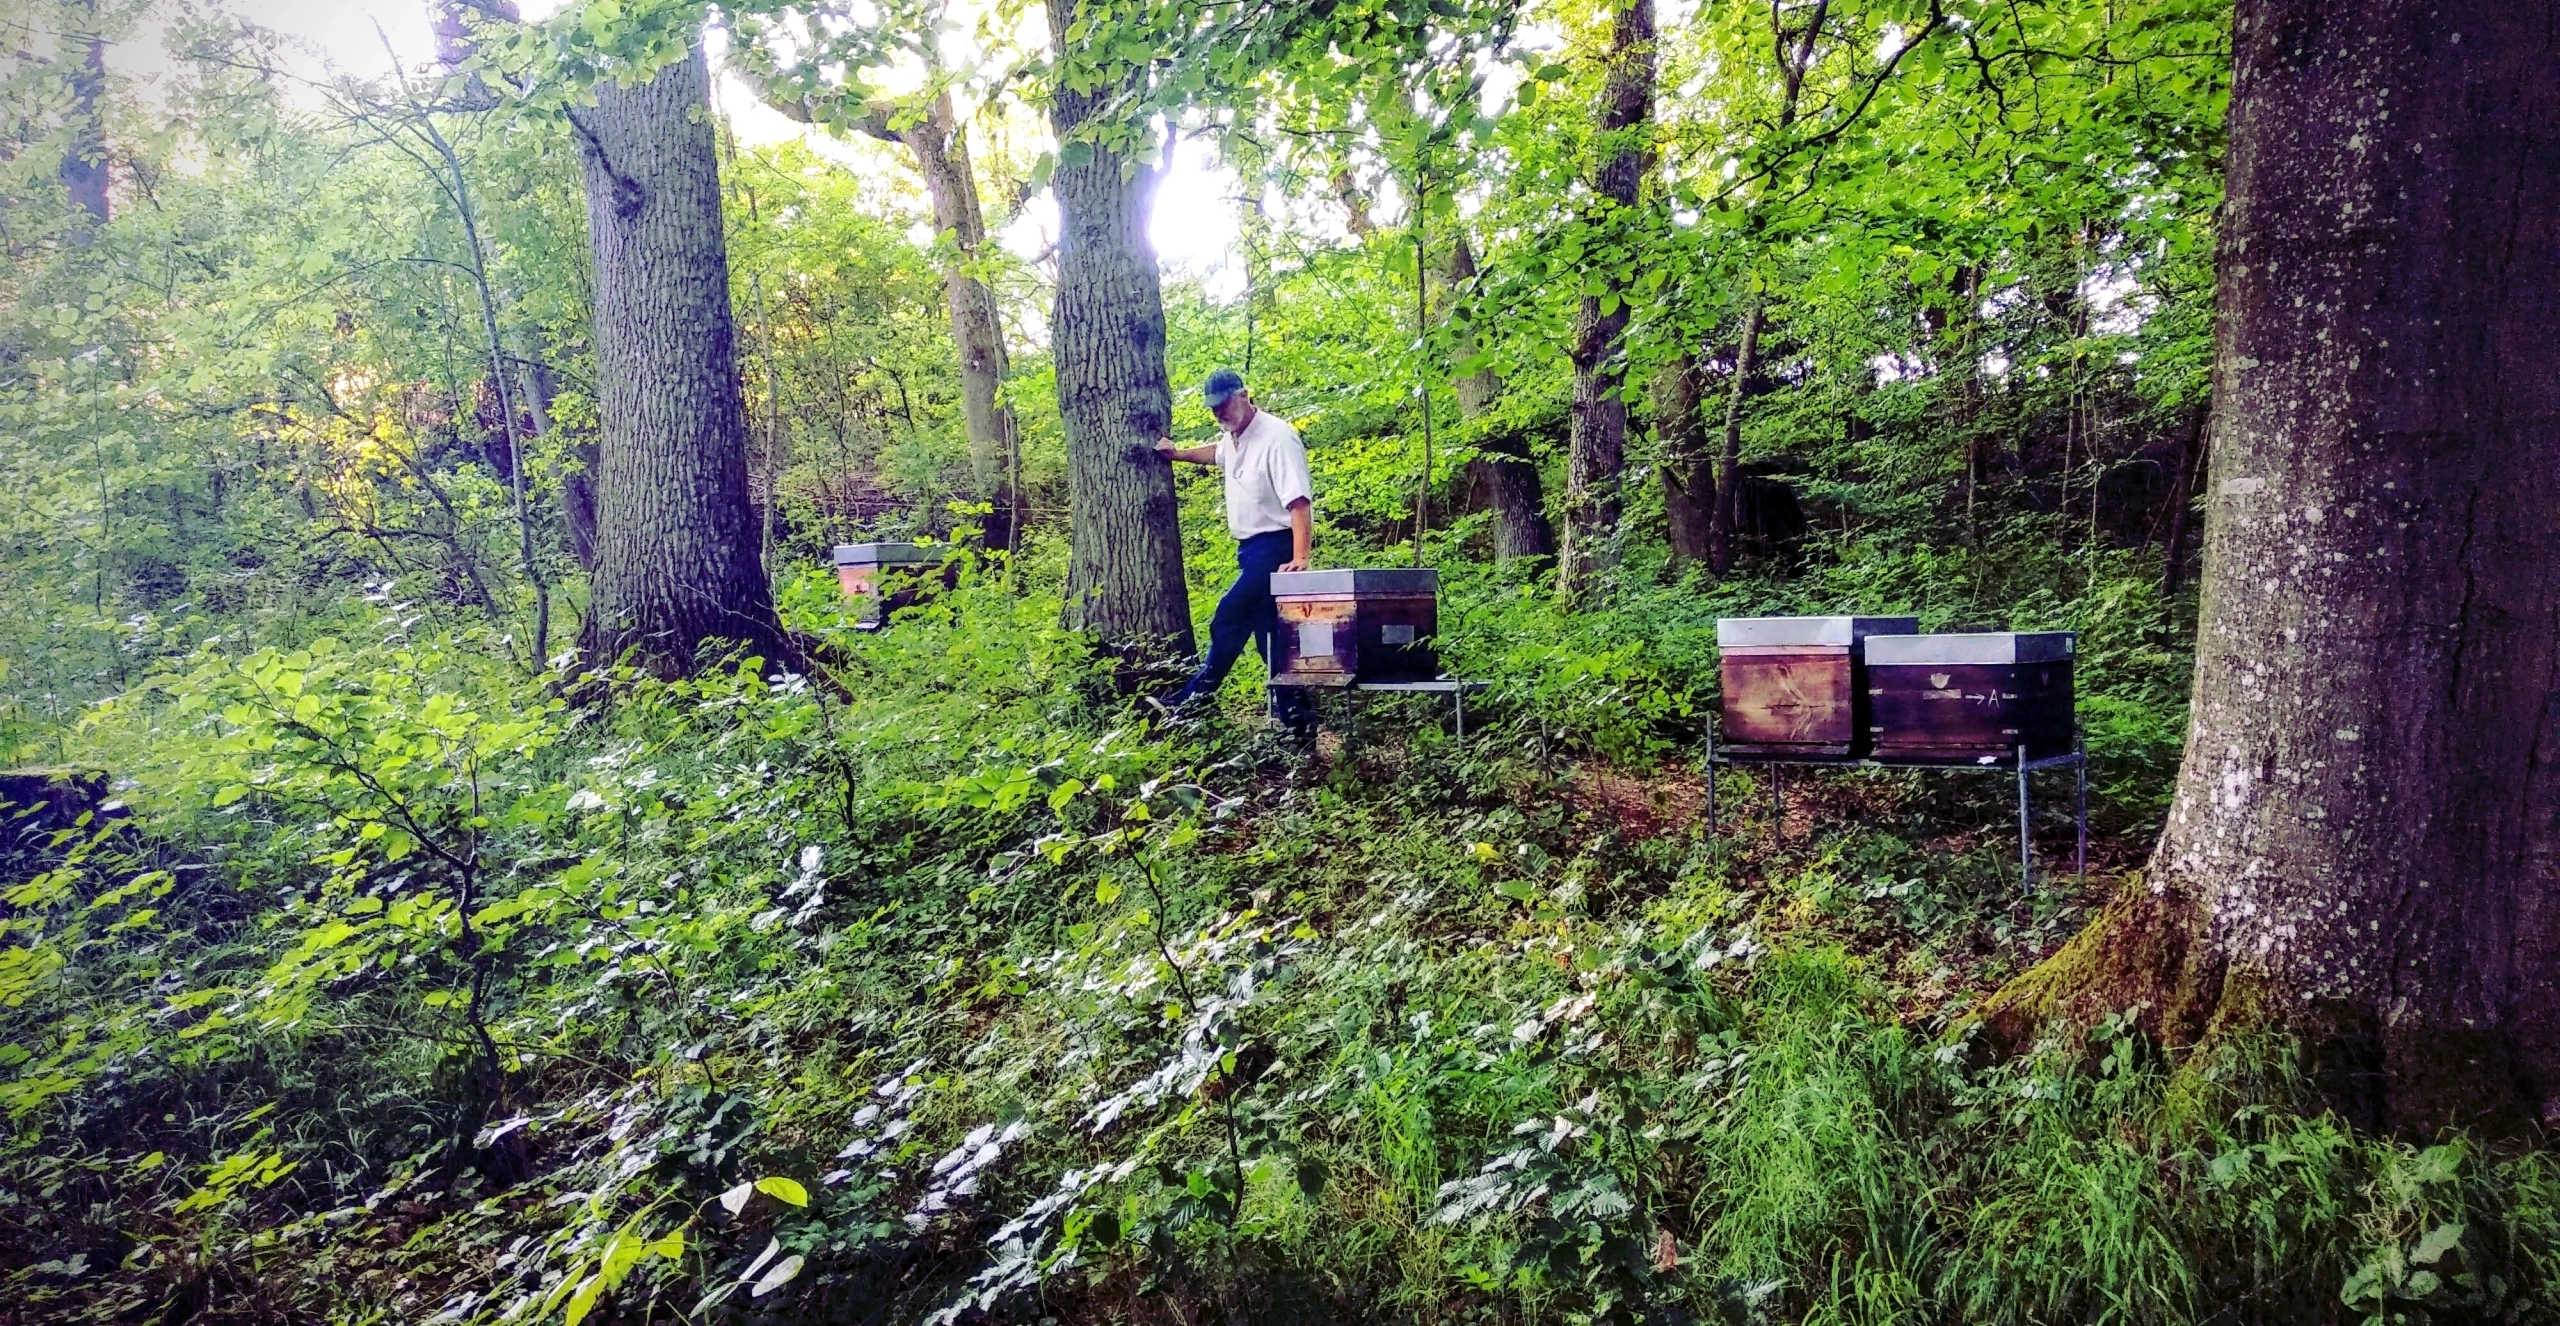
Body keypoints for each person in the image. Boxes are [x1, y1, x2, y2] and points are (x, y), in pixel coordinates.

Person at [1149, 368, 1315, 735]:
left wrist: (1301, 557)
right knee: (1270, 639)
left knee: (1228, 618)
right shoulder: (1234, 438)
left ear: (1243, 395)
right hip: (1249, 550)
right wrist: (1176, 455)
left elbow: (1299, 502)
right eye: (1213, 410)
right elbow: (1216, 454)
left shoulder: (1277, 437)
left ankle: (1190, 701)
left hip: (1275, 550)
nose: (1219, 414)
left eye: (1224, 405)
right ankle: (1299, 726)